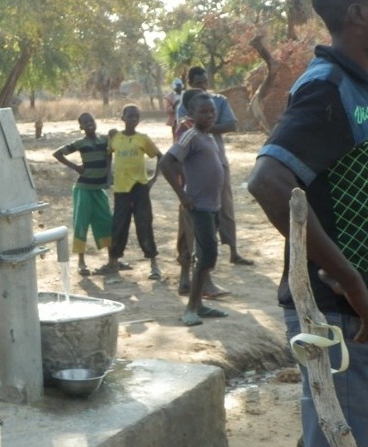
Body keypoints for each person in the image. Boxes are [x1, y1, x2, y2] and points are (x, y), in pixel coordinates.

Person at [247, 0, 368, 447]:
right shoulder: (328, 89)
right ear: (358, 13)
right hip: (340, 317)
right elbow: (269, 180)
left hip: (357, 311)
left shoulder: (361, 87)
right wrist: (349, 280)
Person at [161, 90, 229, 326]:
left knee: (206, 255)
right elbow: (166, 162)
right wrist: (182, 194)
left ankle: (199, 304)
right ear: (191, 114)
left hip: (213, 206)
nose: (209, 115)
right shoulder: (190, 135)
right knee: (208, 254)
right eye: (203, 112)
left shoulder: (209, 137)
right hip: (198, 206)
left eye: (212, 111)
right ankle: (190, 309)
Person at [177, 66, 253, 267]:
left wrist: (205, 126)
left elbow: (232, 125)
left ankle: (232, 250)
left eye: (205, 81)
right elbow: (183, 130)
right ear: (191, 83)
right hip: (194, 166)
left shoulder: (218, 100)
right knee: (194, 211)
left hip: (219, 161)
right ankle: (189, 257)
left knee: (225, 206)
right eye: (198, 82)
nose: (203, 85)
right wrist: (207, 127)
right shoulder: (185, 104)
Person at [95, 104, 162, 280]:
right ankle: (113, 262)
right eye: (130, 116)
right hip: (121, 189)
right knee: (118, 226)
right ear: (122, 118)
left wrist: (153, 179)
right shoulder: (115, 137)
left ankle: (154, 265)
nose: (134, 119)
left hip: (139, 188)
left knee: (144, 225)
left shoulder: (143, 139)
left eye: (137, 116)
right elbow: (108, 154)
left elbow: (160, 156)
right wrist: (108, 175)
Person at [52, 112, 113, 276]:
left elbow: (110, 155)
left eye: (91, 121)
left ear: (95, 122)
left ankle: (111, 259)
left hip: (99, 189)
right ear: (81, 127)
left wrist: (109, 174)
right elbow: (57, 153)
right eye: (85, 123)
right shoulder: (81, 143)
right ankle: (81, 261)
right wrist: (76, 167)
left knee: (106, 221)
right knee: (81, 223)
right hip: (84, 188)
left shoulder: (104, 140)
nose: (89, 124)